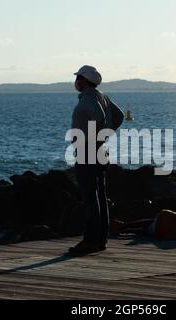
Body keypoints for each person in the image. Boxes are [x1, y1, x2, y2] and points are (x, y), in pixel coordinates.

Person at [69, 65, 124, 255]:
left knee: (91, 198)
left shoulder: (89, 98)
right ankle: (100, 240)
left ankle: (91, 240)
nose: (76, 81)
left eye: (78, 78)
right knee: (99, 195)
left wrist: (93, 139)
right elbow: (119, 116)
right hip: (100, 151)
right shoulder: (102, 96)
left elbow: (99, 117)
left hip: (88, 151)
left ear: (84, 80)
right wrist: (104, 136)